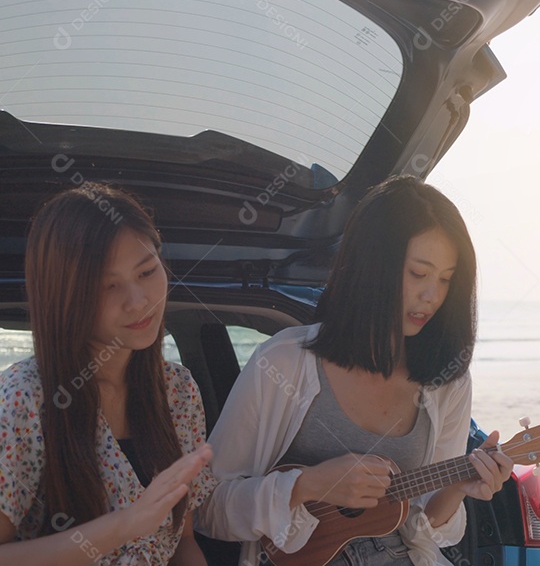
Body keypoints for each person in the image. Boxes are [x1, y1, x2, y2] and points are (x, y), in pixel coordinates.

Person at [196, 175, 513, 566]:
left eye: (446, 280)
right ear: (373, 265)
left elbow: (427, 527)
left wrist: (457, 489)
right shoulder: (282, 362)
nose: (432, 296)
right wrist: (307, 486)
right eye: (418, 274)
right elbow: (207, 507)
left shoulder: (447, 382)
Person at [0, 183, 216, 564]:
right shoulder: (24, 397)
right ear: (64, 295)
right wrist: (127, 523)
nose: (139, 301)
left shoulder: (178, 391)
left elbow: (183, 542)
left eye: (147, 271)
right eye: (108, 286)